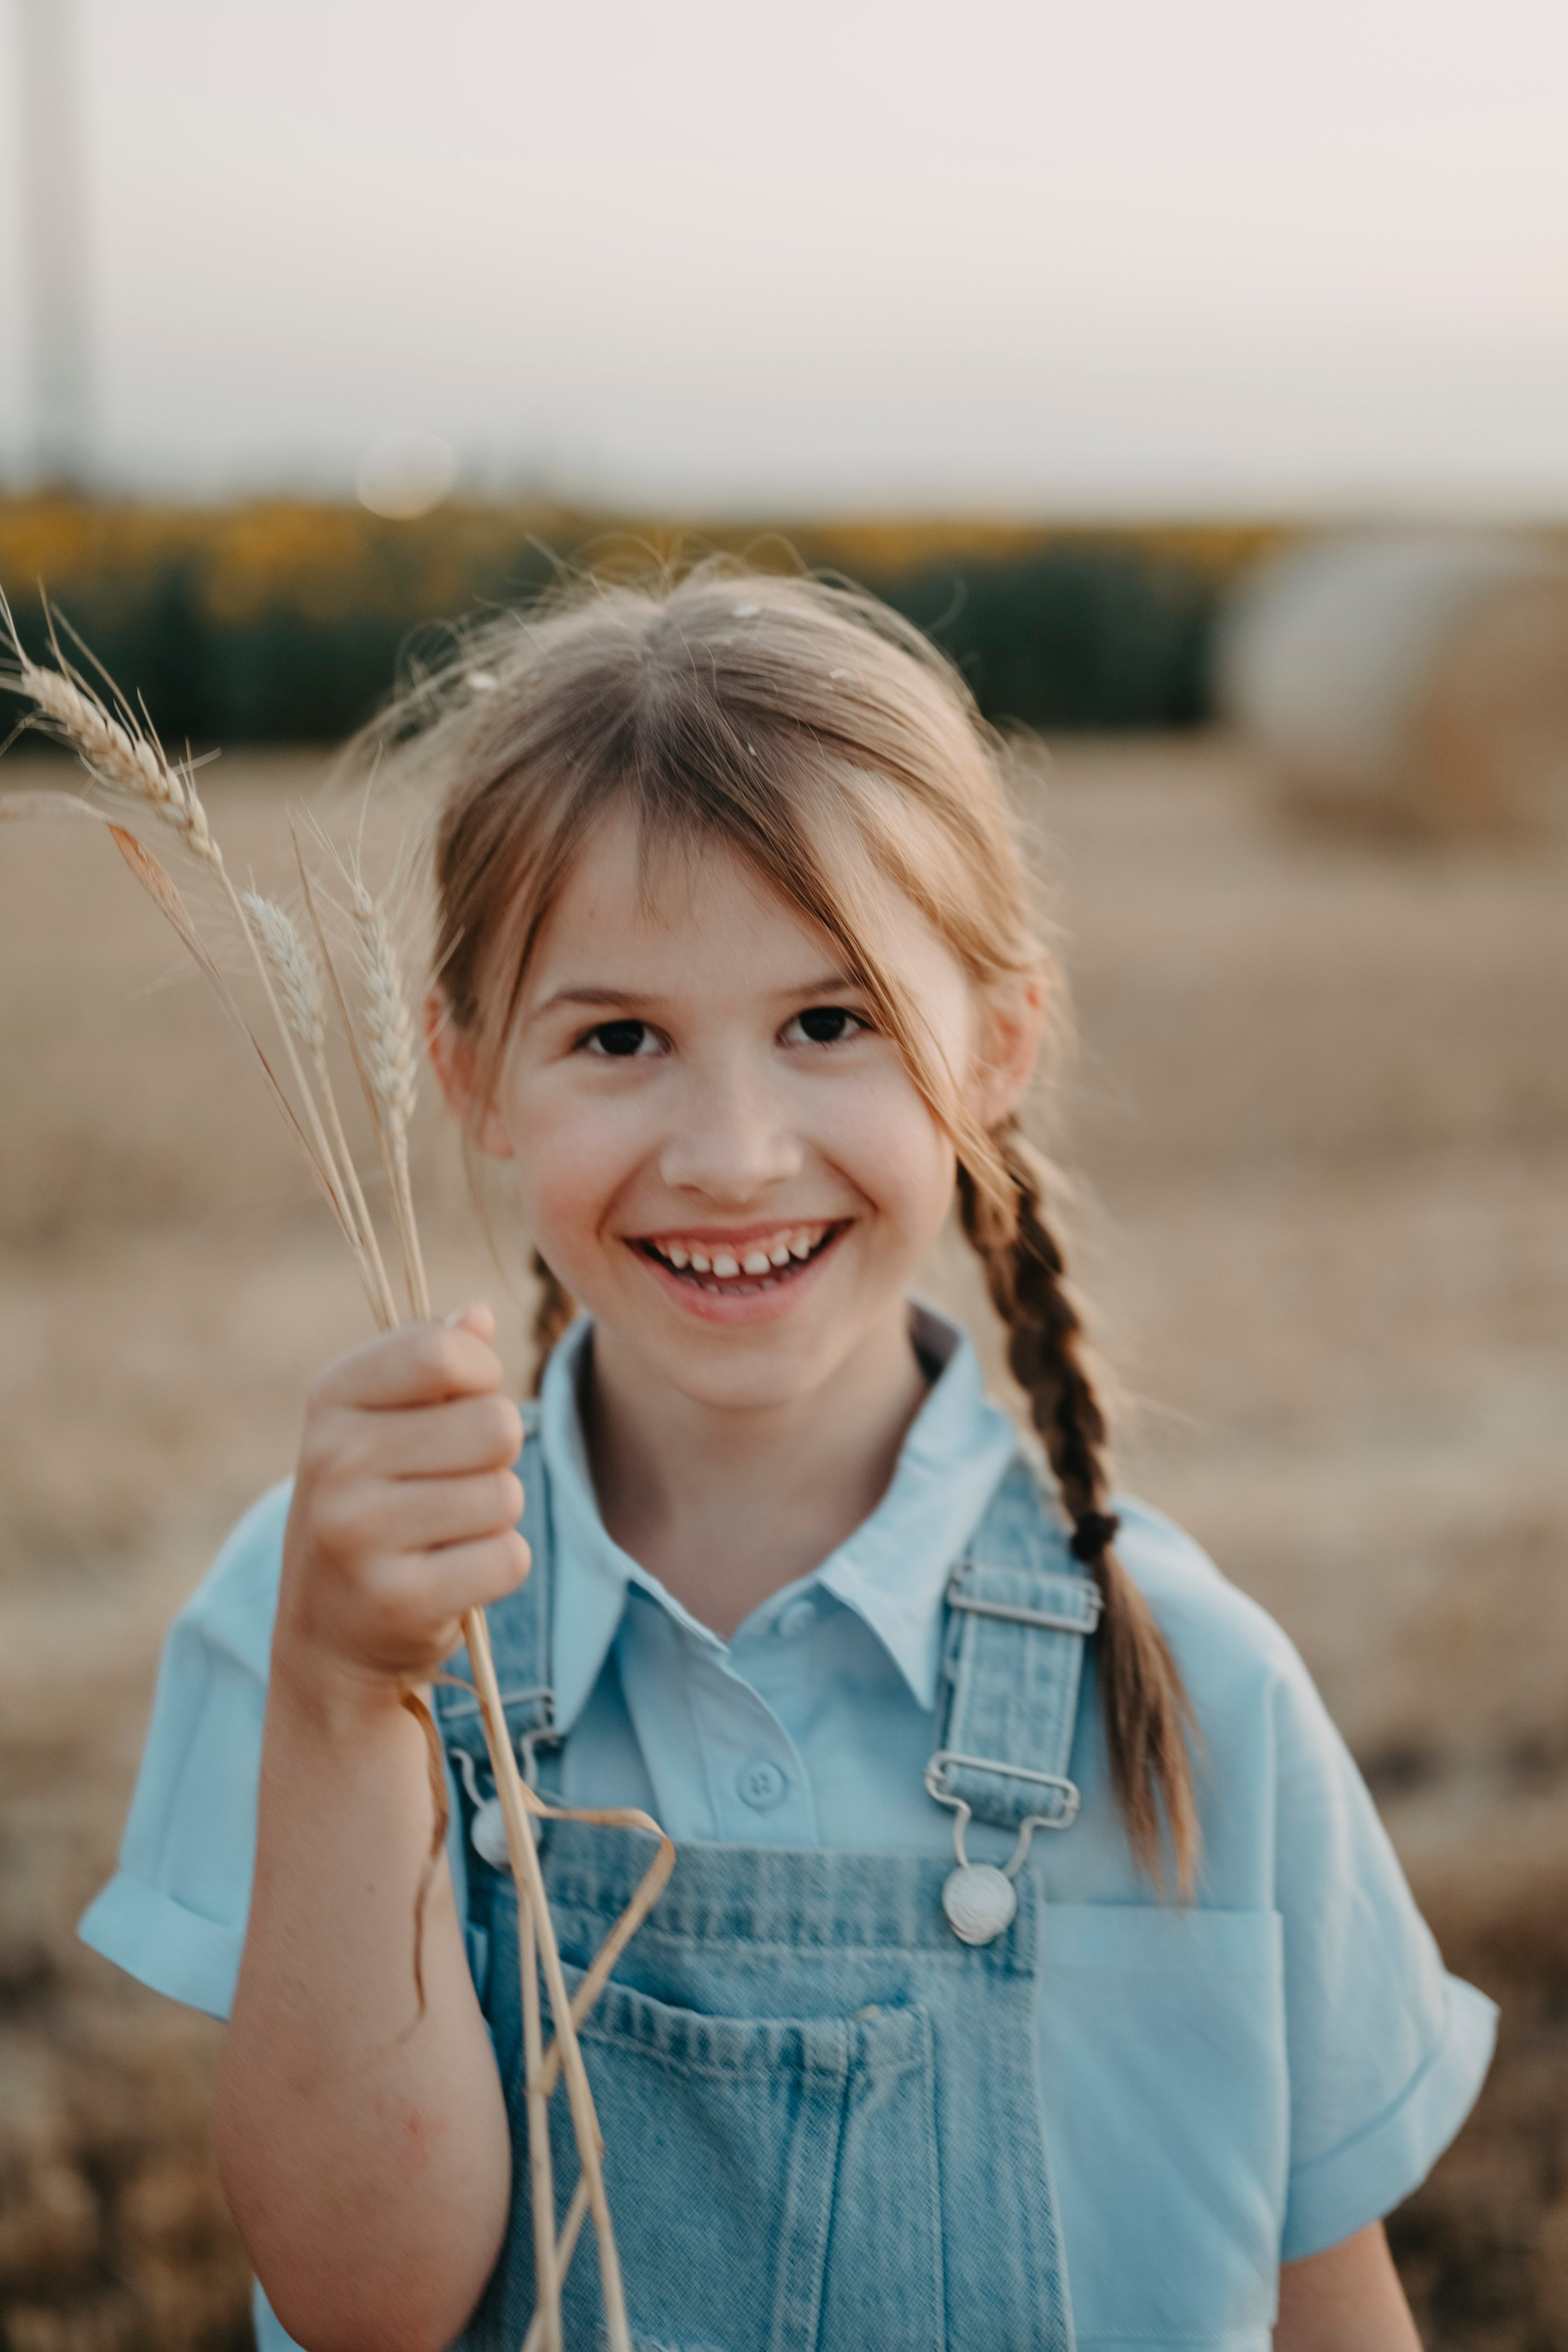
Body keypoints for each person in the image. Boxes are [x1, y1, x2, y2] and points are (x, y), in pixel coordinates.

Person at [81, 567, 1494, 2352]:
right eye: (618, 1039)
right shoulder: (316, 1619)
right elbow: (361, 2304)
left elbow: (1330, 2310)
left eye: (830, 1025)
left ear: (996, 1049)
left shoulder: (1198, 1695)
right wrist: (344, 1704)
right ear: (468, 1074)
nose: (735, 1154)